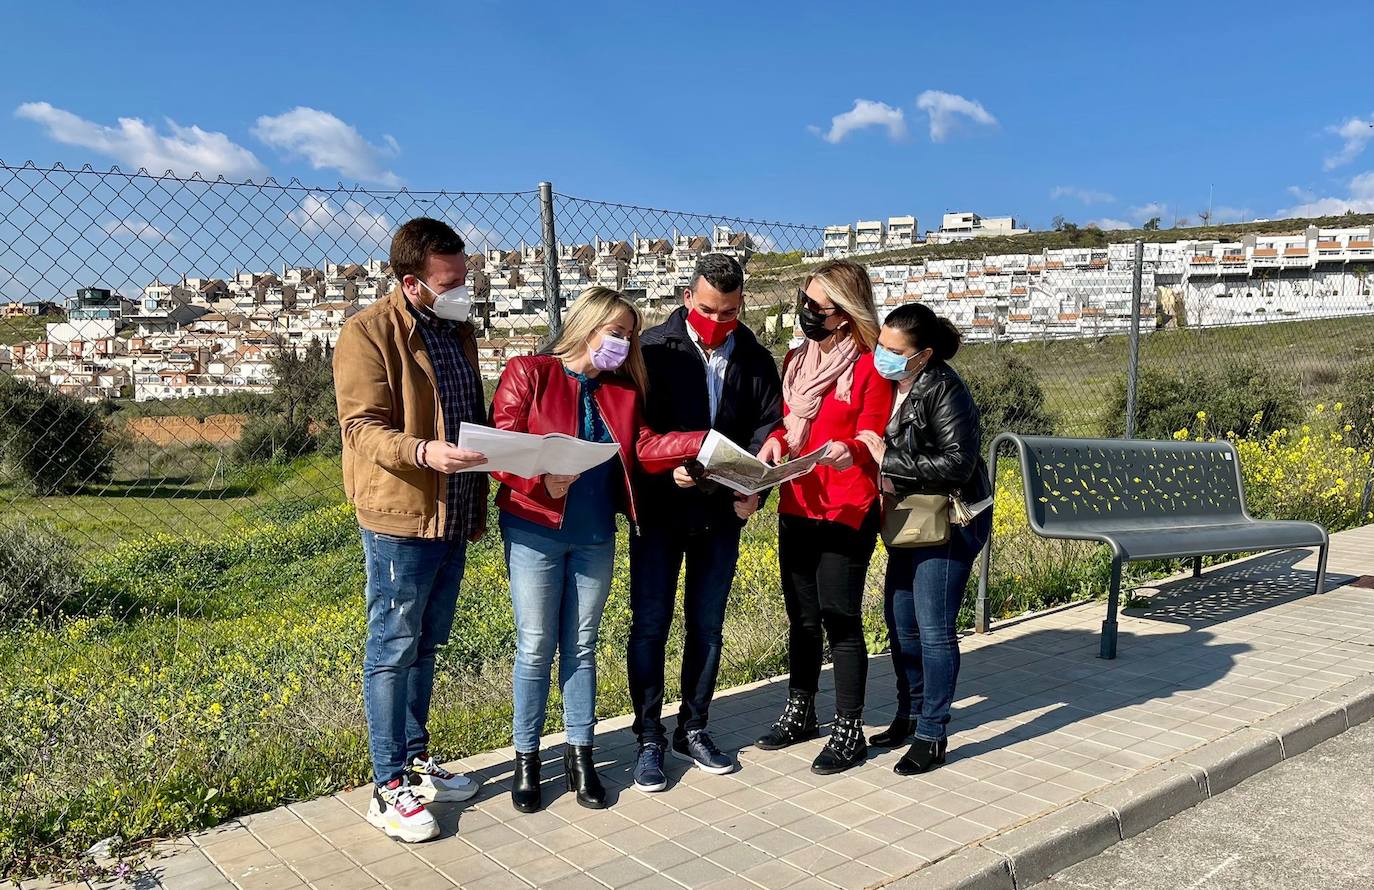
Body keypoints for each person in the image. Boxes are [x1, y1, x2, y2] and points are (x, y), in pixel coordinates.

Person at [488, 286, 705, 813]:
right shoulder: (529, 372)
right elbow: (500, 445)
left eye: (630, 337)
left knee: (583, 646)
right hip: (536, 528)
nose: (626, 345)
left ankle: (580, 754)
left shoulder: (621, 392)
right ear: (588, 327)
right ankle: (527, 759)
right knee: (536, 646)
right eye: (619, 334)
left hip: (593, 535)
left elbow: (643, 445)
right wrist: (542, 484)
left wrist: (700, 442)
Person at [334, 217, 488, 844]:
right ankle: (387, 784)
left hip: (454, 509)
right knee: (392, 647)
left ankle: (417, 760)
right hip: (402, 512)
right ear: (411, 281)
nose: (462, 289)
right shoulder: (367, 333)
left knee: (427, 643)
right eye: (450, 281)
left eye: (465, 276)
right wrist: (425, 453)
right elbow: (360, 429)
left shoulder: (457, 330)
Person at [627, 253, 783, 792]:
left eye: (732, 312)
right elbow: (634, 432)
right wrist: (668, 472)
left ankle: (693, 727)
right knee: (650, 625)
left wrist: (758, 486)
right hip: (660, 513)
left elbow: (770, 427)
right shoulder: (651, 350)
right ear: (689, 298)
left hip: (723, 514)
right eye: (710, 310)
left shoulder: (756, 358)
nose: (719, 322)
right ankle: (648, 736)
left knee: (707, 626)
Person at [753, 259, 893, 775]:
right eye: (805, 301)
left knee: (840, 616)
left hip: (846, 507)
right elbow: (786, 426)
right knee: (802, 618)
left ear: (845, 312)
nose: (807, 312)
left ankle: (848, 728)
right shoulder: (795, 360)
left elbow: (874, 436)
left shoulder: (871, 367)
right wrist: (772, 443)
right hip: (798, 502)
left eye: (818, 306)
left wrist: (850, 449)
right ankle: (800, 710)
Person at [854, 302, 992, 775]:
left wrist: (888, 459)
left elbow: (959, 462)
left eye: (896, 351)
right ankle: (909, 714)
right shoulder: (892, 386)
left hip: (949, 521)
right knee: (901, 622)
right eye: (881, 346)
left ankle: (933, 733)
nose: (884, 356)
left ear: (923, 354)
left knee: (934, 630)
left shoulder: (945, 389)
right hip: (911, 519)